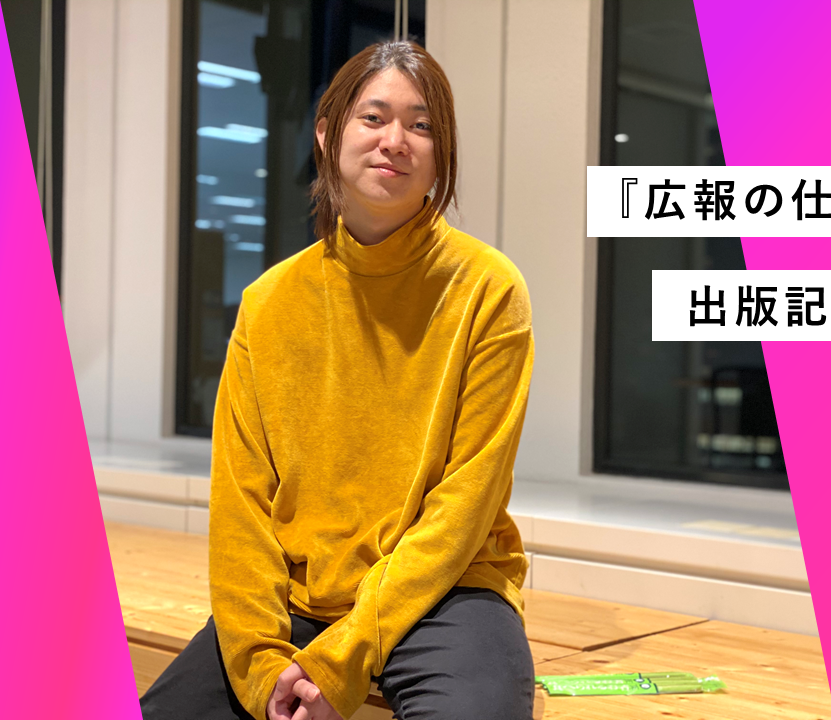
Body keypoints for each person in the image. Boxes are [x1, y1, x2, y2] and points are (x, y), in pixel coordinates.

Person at [140, 40, 535, 720]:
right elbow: (241, 505)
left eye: (421, 125)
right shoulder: (269, 303)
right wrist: (261, 664)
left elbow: (464, 506)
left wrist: (343, 657)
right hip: (300, 596)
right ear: (327, 134)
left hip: (447, 591)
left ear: (441, 152)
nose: (395, 141)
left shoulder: (489, 289)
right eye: (373, 117)